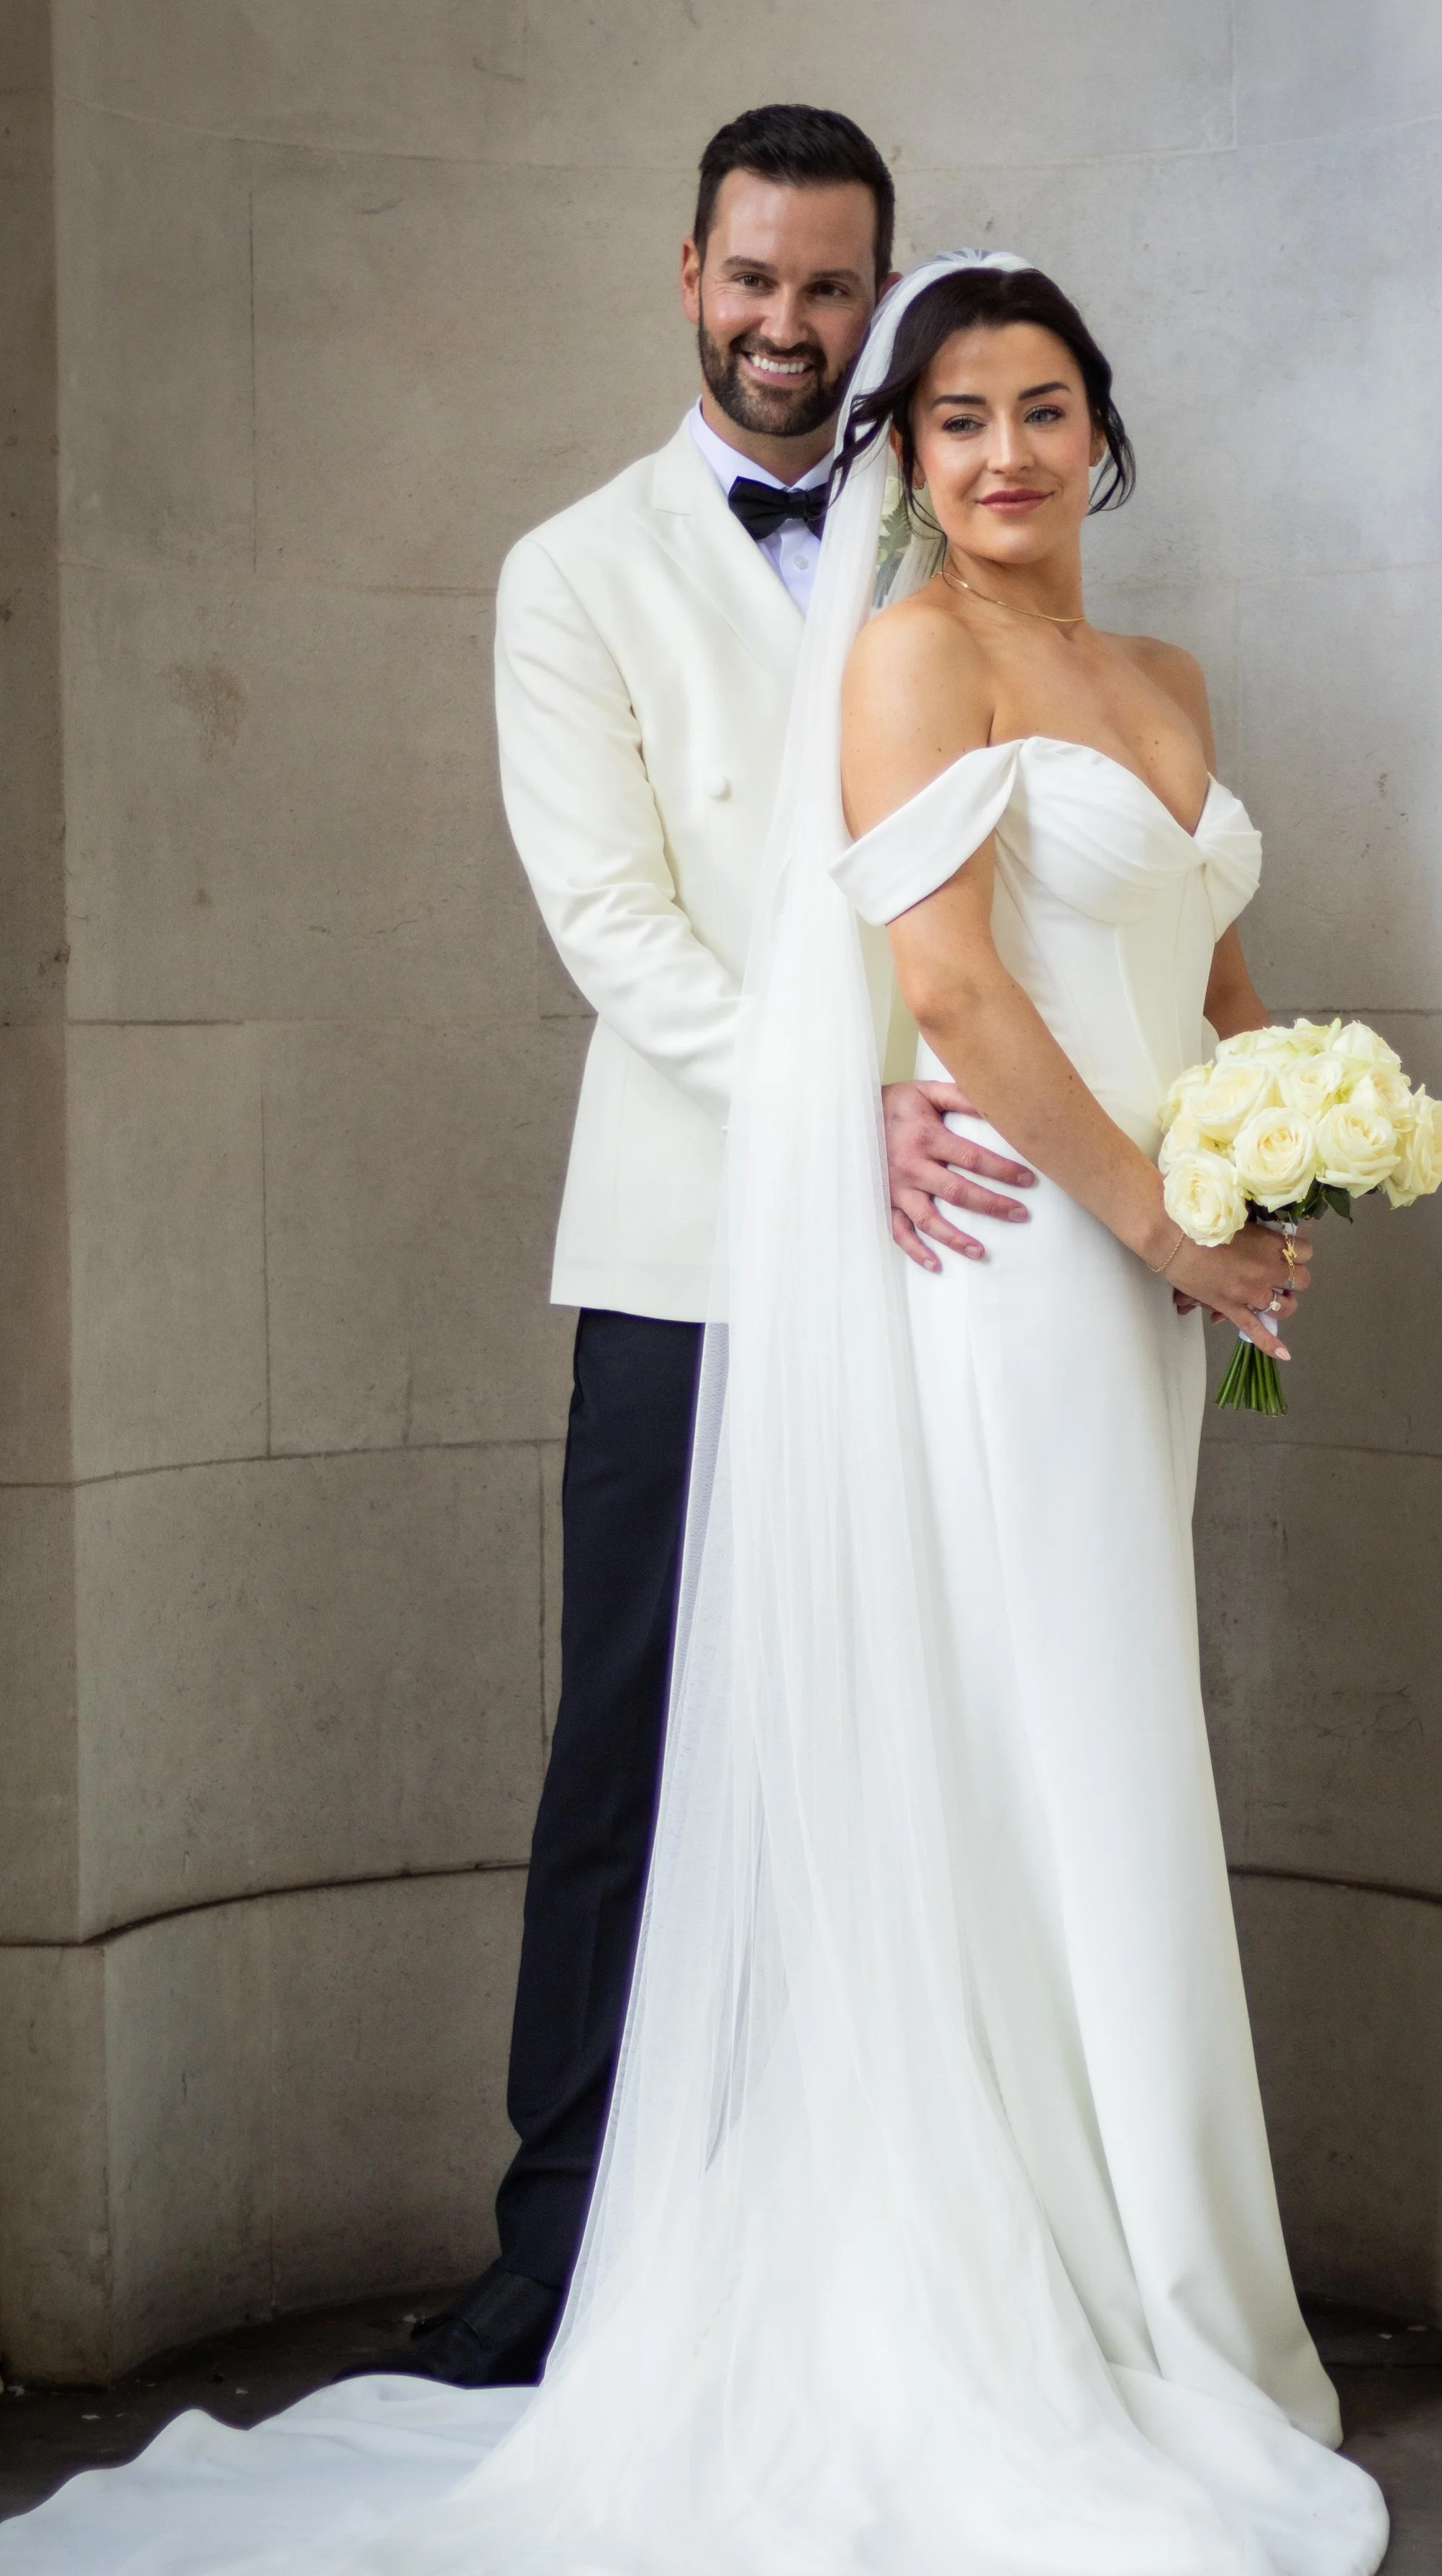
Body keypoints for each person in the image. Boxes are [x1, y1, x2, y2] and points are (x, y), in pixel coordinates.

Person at [0, 254, 1388, 2576]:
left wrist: (1278, 1155)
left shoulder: (1167, 686)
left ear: (1103, 434)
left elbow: (1211, 964)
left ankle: (1135, 2262)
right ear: (903, 452)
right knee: (1038, 1745)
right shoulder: (906, 658)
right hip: (1024, 1259)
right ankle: (1061, 2300)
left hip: (1156, 1273)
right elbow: (948, 988)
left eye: (1041, 410)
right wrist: (1162, 1214)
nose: (998, 455)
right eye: (950, 417)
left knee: (1098, 1741)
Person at [394, 106, 1033, 2391]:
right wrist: (820, 1110)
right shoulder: (569, 570)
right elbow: (612, 925)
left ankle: (883, 2236)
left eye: (831, 288)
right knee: (631, 1744)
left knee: (920, 1725)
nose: (789, 325)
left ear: (879, 298)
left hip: (954, 1227)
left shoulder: (940, 515)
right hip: (691, 1237)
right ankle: (560, 2240)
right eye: (753, 280)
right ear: (688, 276)